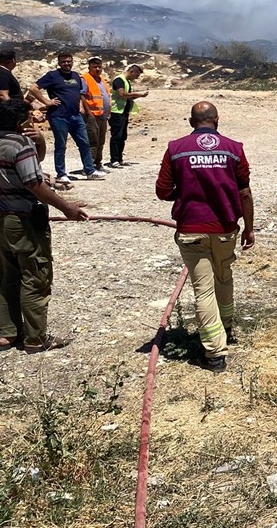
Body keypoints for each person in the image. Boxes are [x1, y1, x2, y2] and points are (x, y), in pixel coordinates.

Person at [156, 101, 254, 372]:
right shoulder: (234, 149)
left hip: (191, 231)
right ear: (217, 120)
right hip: (225, 230)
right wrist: (249, 227)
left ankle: (215, 354)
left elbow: (163, 190)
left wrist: (187, 191)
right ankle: (226, 327)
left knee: (203, 289)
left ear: (191, 122)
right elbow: (244, 192)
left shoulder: (176, 149)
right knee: (224, 276)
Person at [0, 98, 89, 351]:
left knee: (9, 277)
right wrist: (67, 207)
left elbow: (31, 164)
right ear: (22, 121)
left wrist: (40, 141)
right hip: (25, 220)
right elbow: (34, 182)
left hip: (2, 217)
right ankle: (36, 338)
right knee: (35, 277)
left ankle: (7, 333)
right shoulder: (21, 146)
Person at [30, 52, 105, 183]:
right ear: (59, 63)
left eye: (69, 61)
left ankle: (90, 170)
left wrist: (81, 105)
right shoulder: (52, 76)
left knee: (84, 143)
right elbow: (33, 88)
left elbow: (79, 93)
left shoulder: (76, 76)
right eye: (63, 61)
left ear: (72, 62)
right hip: (59, 116)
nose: (66, 64)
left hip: (76, 116)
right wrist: (47, 102)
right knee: (61, 145)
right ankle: (61, 173)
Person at [108, 64, 148, 167]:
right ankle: (114, 159)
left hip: (124, 112)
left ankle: (119, 158)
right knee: (116, 136)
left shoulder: (127, 82)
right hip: (117, 112)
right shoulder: (119, 80)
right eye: (136, 75)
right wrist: (138, 94)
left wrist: (139, 96)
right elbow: (121, 94)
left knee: (122, 136)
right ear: (132, 72)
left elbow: (127, 97)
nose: (137, 78)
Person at [82, 57, 112, 172]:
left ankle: (98, 163)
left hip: (103, 115)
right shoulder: (85, 78)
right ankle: (89, 167)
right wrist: (89, 113)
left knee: (101, 141)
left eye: (99, 66)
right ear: (89, 67)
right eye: (95, 67)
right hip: (92, 115)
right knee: (92, 142)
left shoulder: (101, 79)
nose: (98, 69)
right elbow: (82, 96)